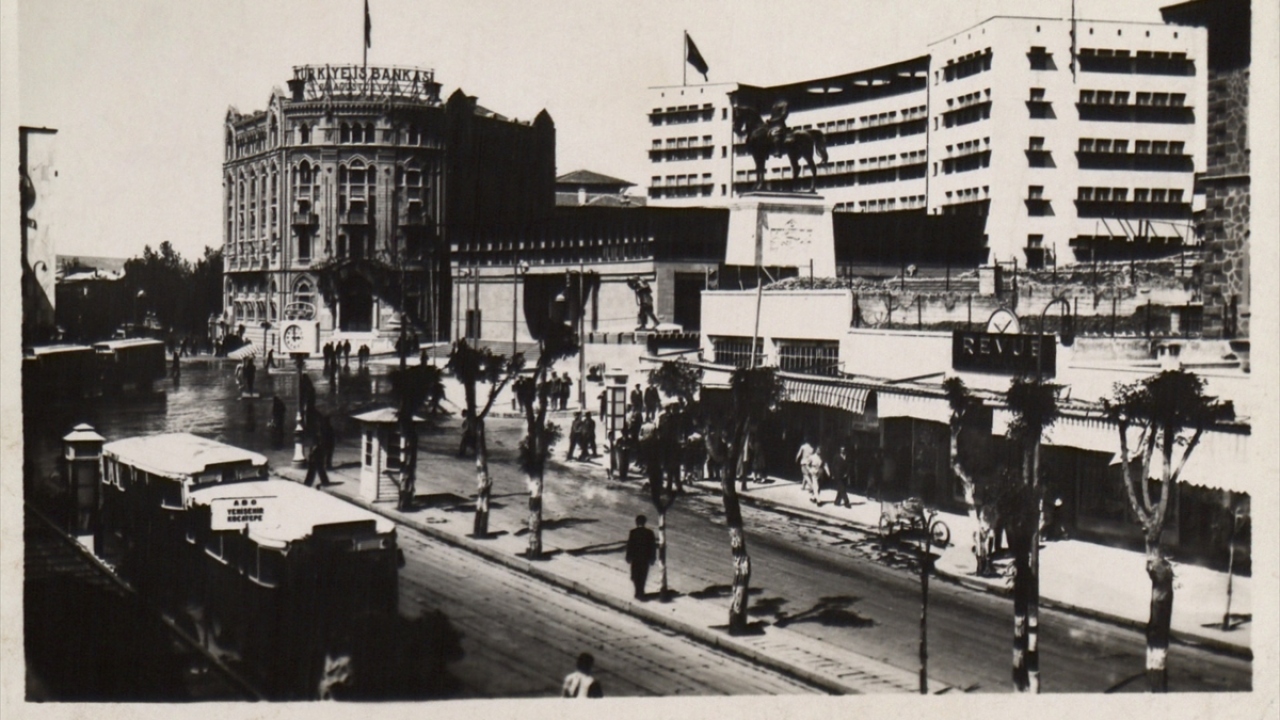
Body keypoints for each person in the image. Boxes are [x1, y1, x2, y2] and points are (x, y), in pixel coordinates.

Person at [625, 514, 657, 600]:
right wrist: (653, 557)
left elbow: (630, 545)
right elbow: (652, 546)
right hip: (642, 557)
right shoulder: (649, 532)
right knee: (640, 575)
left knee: (637, 575)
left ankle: (639, 591)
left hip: (638, 557)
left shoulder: (634, 532)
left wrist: (628, 556)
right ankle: (639, 591)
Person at [829, 443, 853, 508]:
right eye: (841, 450)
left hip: (844, 475)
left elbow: (849, 466)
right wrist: (833, 474)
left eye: (844, 449)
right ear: (839, 450)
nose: (842, 451)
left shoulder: (847, 457)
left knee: (841, 488)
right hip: (838, 475)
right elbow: (833, 466)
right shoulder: (836, 456)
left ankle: (837, 501)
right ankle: (847, 503)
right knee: (842, 489)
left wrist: (847, 473)